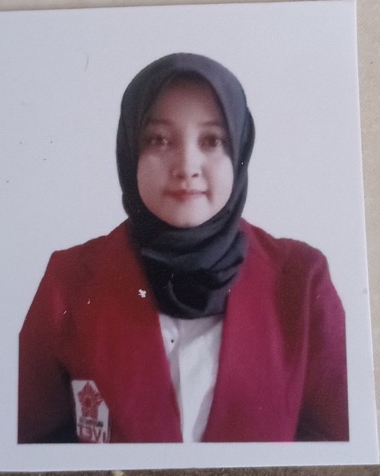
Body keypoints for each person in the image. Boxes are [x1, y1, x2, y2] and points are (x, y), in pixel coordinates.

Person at [18, 53, 349, 444]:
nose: (187, 165)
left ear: (239, 150)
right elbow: (31, 444)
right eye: (159, 140)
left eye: (212, 140)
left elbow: (338, 451)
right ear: (129, 150)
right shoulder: (68, 281)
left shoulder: (302, 281)